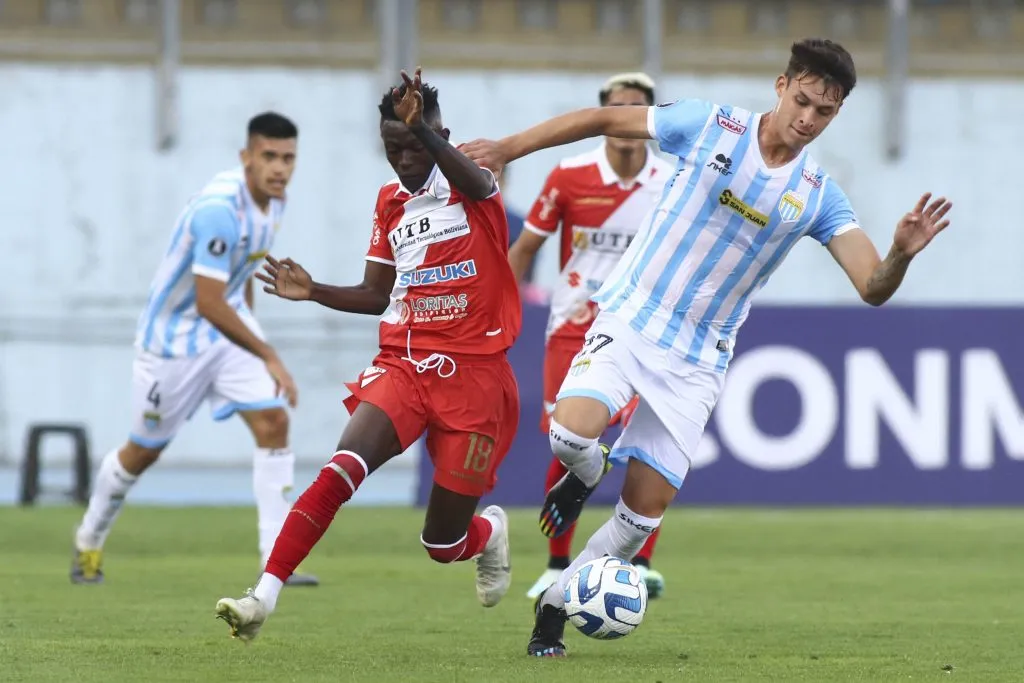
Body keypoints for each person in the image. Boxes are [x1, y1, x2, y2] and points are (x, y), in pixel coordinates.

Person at [463, 38, 953, 657]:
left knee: (640, 519)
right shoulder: (709, 125)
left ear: (835, 116)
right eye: (801, 100)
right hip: (635, 315)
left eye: (823, 113)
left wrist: (901, 255)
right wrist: (508, 148)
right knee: (569, 437)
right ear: (781, 85)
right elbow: (603, 119)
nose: (807, 119)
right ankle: (585, 474)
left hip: (698, 361)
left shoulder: (820, 194)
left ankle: (553, 613)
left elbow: (871, 286)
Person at [214, 70, 522, 643]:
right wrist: (315, 292)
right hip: (405, 364)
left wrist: (424, 135)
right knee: (342, 467)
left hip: (477, 379)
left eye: (413, 144)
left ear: (440, 135)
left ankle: (487, 536)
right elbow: (377, 295)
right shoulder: (389, 203)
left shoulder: (475, 186)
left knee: (442, 544)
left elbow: (473, 182)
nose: (403, 159)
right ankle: (262, 597)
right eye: (392, 148)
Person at [70, 113, 318, 587]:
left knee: (274, 421)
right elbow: (207, 300)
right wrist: (267, 354)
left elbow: (241, 273)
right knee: (143, 452)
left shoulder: (276, 202)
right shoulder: (218, 209)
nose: (279, 168)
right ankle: (88, 542)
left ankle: (276, 560)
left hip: (226, 335)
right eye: (269, 156)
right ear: (246, 157)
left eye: (288, 158)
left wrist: (251, 334)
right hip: (173, 344)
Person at [510, 72, 675, 602]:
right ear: (604, 114)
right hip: (573, 329)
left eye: (638, 110)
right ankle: (558, 562)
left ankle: (639, 564)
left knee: (646, 448)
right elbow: (524, 250)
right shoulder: (569, 175)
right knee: (566, 445)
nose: (627, 120)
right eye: (618, 108)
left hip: (644, 329)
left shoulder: (672, 181)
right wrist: (501, 317)